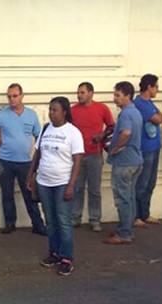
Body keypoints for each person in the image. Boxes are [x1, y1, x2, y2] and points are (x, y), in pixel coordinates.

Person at [0, 83, 46, 235]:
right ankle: (10, 224)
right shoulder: (2, 115)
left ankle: (38, 225)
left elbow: (38, 135)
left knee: (30, 194)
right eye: (9, 96)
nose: (12, 99)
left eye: (15, 96)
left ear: (22, 96)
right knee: (7, 194)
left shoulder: (31, 114)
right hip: (5, 161)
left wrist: (38, 157)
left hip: (25, 162)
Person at [28, 97, 84, 276]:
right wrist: (31, 175)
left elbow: (77, 162)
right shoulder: (46, 129)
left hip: (62, 183)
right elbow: (38, 154)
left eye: (55, 110)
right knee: (50, 221)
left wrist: (71, 185)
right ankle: (54, 253)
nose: (51, 113)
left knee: (63, 221)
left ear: (64, 112)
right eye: (50, 110)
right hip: (44, 182)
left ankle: (66, 257)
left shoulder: (73, 132)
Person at [71, 82, 115, 232]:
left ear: (91, 93)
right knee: (77, 187)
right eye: (78, 92)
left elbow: (111, 127)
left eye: (82, 92)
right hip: (77, 155)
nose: (79, 95)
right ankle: (75, 217)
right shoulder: (73, 110)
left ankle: (95, 219)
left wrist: (102, 135)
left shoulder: (102, 108)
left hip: (95, 154)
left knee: (95, 189)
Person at [103, 82, 143, 245]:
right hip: (135, 160)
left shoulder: (126, 114)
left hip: (125, 162)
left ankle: (125, 233)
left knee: (123, 198)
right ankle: (126, 228)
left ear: (127, 96)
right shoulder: (135, 112)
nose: (114, 98)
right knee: (130, 196)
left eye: (118, 95)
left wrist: (115, 148)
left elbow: (126, 133)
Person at [133, 74, 162, 227]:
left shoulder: (149, 103)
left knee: (150, 182)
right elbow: (158, 119)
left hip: (155, 147)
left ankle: (145, 213)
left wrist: (157, 115)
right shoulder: (140, 103)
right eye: (156, 86)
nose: (157, 89)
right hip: (145, 148)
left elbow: (161, 116)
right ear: (149, 87)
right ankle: (136, 215)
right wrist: (157, 116)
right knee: (142, 183)